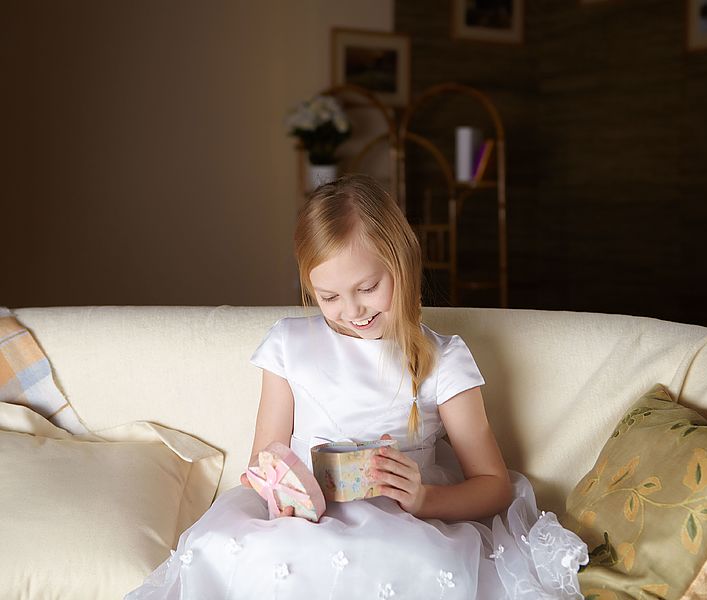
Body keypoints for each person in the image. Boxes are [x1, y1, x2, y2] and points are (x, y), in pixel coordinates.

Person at [126, 174, 587, 599]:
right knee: (238, 552)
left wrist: (426, 498)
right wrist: (279, 492)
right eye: (329, 297)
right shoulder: (289, 344)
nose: (352, 310)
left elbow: (494, 486)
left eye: (368, 287)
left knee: (400, 566)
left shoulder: (443, 360)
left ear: (401, 264)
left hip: (402, 523)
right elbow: (266, 456)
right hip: (301, 520)